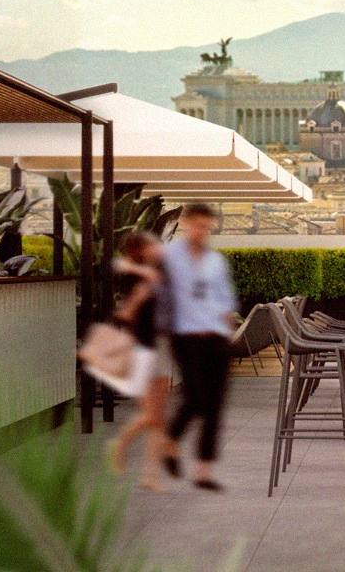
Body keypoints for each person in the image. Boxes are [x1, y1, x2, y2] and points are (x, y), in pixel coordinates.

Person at [162, 202, 239, 491]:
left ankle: (203, 471)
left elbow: (226, 300)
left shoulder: (216, 261)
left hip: (216, 338)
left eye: (206, 227)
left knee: (216, 406)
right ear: (185, 224)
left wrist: (228, 332)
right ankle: (171, 441)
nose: (201, 231)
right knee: (195, 398)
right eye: (197, 225)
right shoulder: (169, 257)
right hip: (185, 337)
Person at [106, 230, 171, 491]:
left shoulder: (159, 271)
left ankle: (150, 476)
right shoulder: (132, 275)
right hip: (142, 348)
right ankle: (120, 444)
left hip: (162, 345)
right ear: (140, 250)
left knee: (158, 416)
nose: (158, 246)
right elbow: (125, 315)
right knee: (153, 415)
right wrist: (139, 296)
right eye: (152, 244)